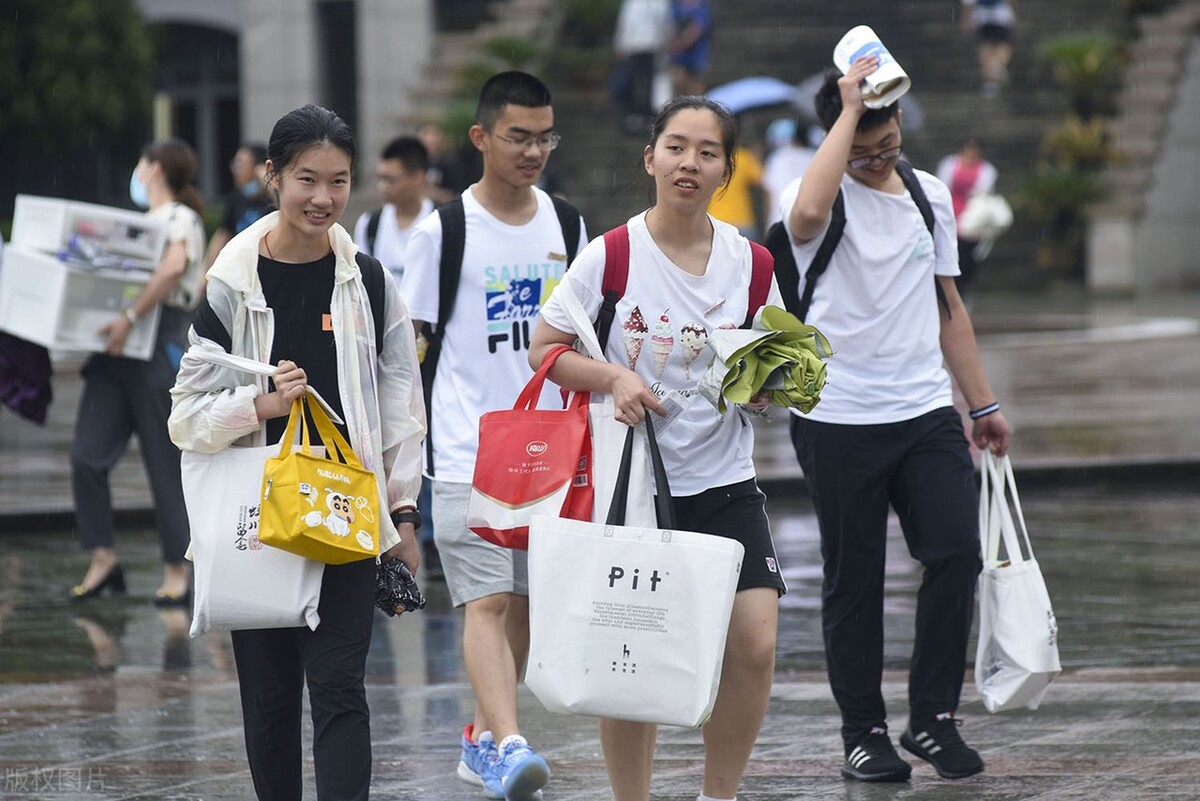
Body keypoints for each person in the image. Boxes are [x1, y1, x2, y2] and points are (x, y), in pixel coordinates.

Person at [529, 95, 786, 801]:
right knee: (629, 660)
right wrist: (613, 375)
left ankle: (719, 795)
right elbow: (544, 350)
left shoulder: (753, 264)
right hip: (631, 485)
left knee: (755, 643)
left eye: (707, 152)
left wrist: (765, 387)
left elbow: (767, 365)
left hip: (725, 479)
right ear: (650, 158)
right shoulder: (610, 256)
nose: (689, 162)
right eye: (676, 146)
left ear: (727, 170)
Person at [168, 104, 426, 801]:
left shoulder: (368, 281)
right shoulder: (230, 286)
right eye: (307, 179)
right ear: (273, 177)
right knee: (272, 701)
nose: (323, 198)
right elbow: (183, 418)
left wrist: (404, 515)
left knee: (341, 688)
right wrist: (258, 406)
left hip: (343, 509)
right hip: (259, 514)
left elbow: (402, 399)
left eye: (339, 181)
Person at [778, 59, 1010, 783]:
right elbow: (807, 219)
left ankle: (933, 717)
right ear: (839, 138)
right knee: (856, 578)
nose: (881, 161)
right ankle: (863, 730)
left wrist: (983, 404)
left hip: (922, 410)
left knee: (955, 550)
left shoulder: (928, 193)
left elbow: (949, 306)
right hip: (838, 415)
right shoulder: (813, 193)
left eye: (890, 145)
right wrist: (848, 117)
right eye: (865, 151)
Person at [399, 71, 586, 801]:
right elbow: (406, 358)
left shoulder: (568, 225)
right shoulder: (442, 232)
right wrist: (404, 471)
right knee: (486, 602)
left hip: (549, 453)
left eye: (545, 136)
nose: (534, 149)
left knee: (529, 607)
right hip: (464, 448)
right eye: (518, 136)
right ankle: (508, 745)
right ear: (481, 138)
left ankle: (480, 739)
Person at [69, 138, 207, 606]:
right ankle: (103, 557)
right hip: (113, 348)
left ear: (153, 169)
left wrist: (129, 317)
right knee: (87, 455)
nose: (137, 172)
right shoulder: (135, 222)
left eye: (140, 163)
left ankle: (178, 569)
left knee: (164, 463)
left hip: (155, 342)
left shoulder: (179, 218)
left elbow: (171, 270)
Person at [352, 135, 441, 579]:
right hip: (383, 358)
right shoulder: (369, 227)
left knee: (429, 440)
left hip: (431, 357)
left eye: (393, 177)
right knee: (391, 439)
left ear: (419, 178)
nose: (384, 186)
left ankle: (431, 534)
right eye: (380, 178)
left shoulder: (440, 225)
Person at [936, 138, 998, 296]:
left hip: (972, 218)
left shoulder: (986, 170)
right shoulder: (950, 164)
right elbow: (941, 185)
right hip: (951, 213)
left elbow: (984, 191)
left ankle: (964, 289)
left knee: (967, 257)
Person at [203, 143, 272, 269]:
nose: (237, 170)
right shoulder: (237, 197)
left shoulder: (271, 198)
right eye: (236, 164)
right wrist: (207, 272)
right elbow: (222, 235)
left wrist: (266, 181)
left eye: (243, 164)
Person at [611, 0, 671, 133]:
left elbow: (665, 24)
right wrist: (620, 45)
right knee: (632, 82)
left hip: (652, 48)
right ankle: (633, 115)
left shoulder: (661, 3)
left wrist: (666, 44)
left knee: (650, 84)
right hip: (634, 48)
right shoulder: (632, 3)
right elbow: (625, 23)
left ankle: (648, 115)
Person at [762, 118, 817, 229]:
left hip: (778, 220)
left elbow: (768, 192)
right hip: (808, 222)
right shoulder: (814, 157)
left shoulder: (777, 158)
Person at [707, 142, 763, 240]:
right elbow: (762, 180)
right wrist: (757, 158)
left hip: (716, 220)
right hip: (743, 221)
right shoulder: (744, 157)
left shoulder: (710, 159)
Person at [961, 0, 1017, 97]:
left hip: (983, 16)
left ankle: (990, 81)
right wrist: (1013, 13)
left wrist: (967, 20)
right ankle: (998, 64)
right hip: (1001, 16)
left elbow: (968, 4)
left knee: (986, 48)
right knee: (1003, 46)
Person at [417, 121, 469, 205]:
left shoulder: (452, 164)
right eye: (426, 133)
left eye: (435, 134)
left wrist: (433, 193)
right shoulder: (413, 165)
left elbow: (458, 195)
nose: (431, 139)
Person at [668, 0, 712, 97]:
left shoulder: (701, 6)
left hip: (697, 53)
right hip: (679, 54)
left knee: (696, 83)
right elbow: (670, 25)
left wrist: (684, 41)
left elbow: (699, 27)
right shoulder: (676, 6)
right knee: (679, 80)